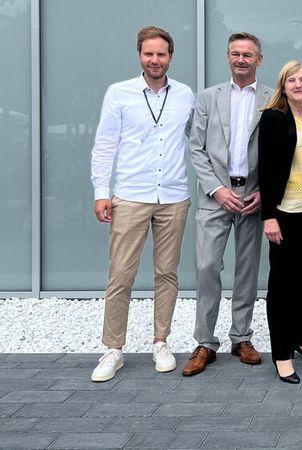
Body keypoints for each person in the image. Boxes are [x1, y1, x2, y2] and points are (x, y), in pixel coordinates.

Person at [89, 26, 194, 382]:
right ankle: (113, 348)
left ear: (170, 57)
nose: (155, 60)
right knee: (121, 274)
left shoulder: (184, 95)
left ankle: (160, 341)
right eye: (148, 54)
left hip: (174, 197)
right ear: (139, 55)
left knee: (167, 273)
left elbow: (199, 141)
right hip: (131, 195)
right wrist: (101, 191)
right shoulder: (119, 94)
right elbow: (105, 145)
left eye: (161, 54)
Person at [182, 32, 273, 376]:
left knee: (247, 270)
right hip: (216, 196)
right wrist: (216, 190)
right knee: (207, 267)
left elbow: (279, 150)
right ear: (227, 57)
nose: (241, 59)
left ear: (259, 60)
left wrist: (264, 190)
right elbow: (196, 148)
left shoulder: (271, 98)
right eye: (235, 53)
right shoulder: (207, 97)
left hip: (253, 197)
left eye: (248, 54)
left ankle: (241, 337)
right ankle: (205, 342)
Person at [258, 61, 302, 384]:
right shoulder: (273, 118)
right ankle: (282, 354)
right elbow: (266, 169)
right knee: (283, 285)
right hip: (285, 213)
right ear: (283, 86)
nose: (298, 84)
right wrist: (269, 216)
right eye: (292, 80)